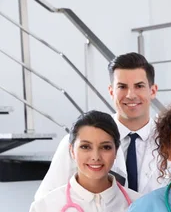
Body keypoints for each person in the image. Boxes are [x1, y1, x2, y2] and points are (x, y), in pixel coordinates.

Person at [35, 52, 163, 200]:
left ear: (152, 91)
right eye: (122, 86)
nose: (130, 95)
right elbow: (45, 201)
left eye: (139, 86)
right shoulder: (78, 141)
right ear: (111, 91)